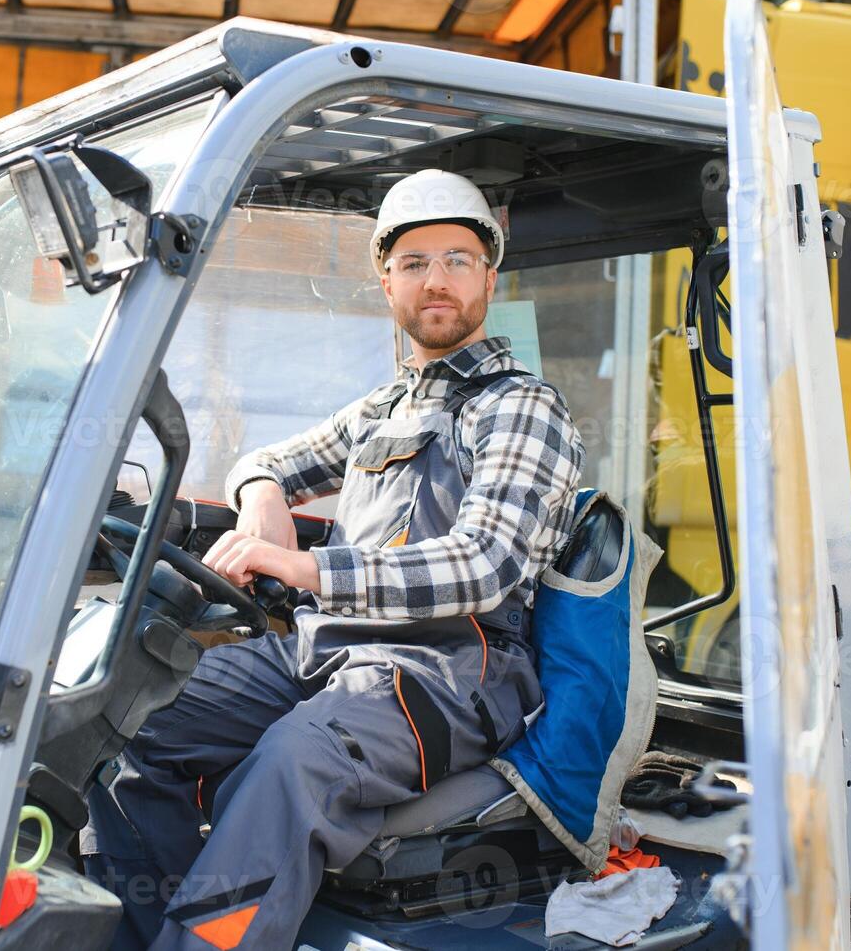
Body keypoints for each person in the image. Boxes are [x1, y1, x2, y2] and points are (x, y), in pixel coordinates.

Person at [81, 169, 585, 950]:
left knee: (290, 765)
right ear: (386, 281)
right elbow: (268, 461)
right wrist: (259, 499)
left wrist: (304, 570)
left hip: (447, 676)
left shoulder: (518, 407)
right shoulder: (384, 408)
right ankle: (167, 933)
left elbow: (482, 563)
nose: (436, 280)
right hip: (327, 654)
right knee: (127, 720)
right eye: (413, 263)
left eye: (456, 259)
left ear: (488, 275)